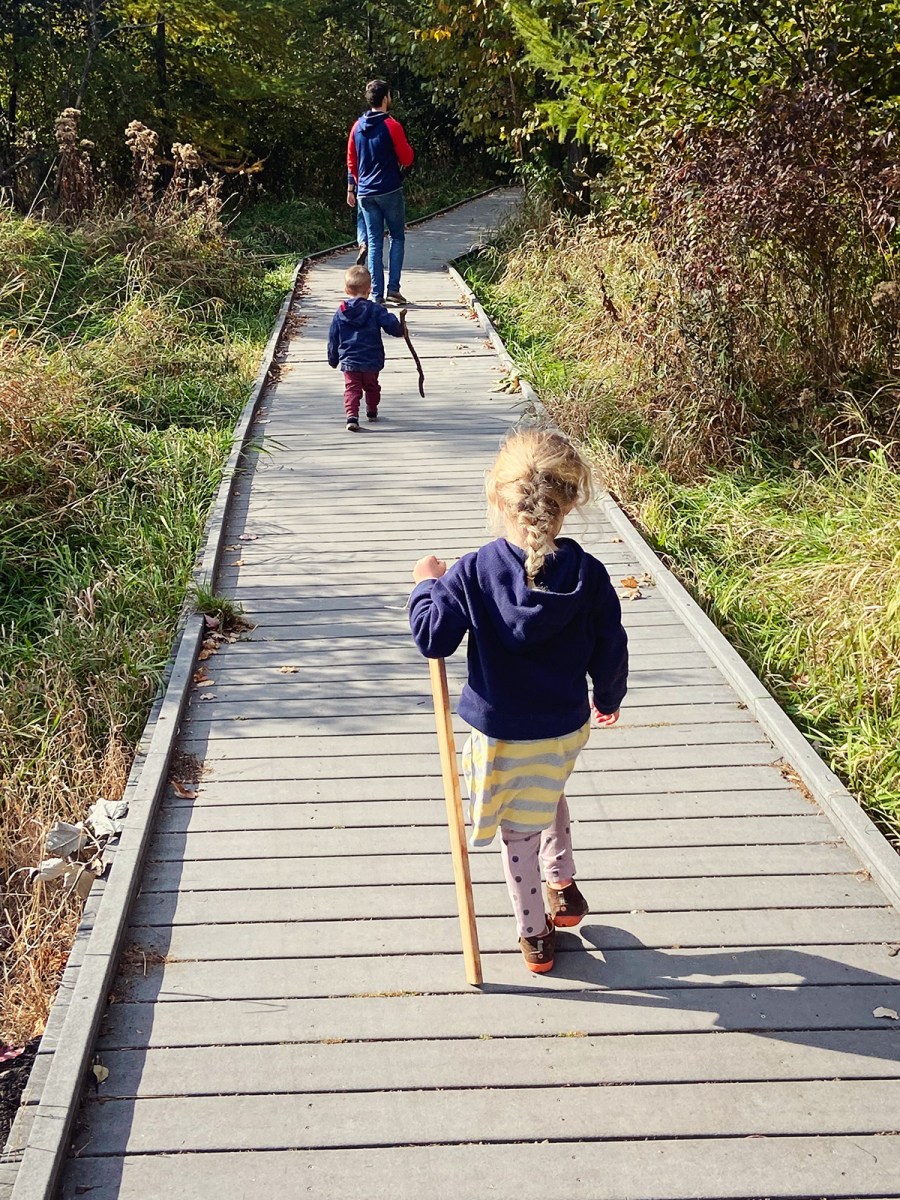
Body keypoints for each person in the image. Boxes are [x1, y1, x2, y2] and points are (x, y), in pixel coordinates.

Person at [408, 430, 629, 973]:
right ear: (571, 501)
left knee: (517, 831)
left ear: (497, 499)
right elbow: (611, 642)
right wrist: (608, 694)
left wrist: (426, 586)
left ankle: (534, 935)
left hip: (503, 733)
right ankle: (564, 886)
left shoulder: (472, 572)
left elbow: (432, 638)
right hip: (563, 725)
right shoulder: (589, 574)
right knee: (547, 788)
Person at [347, 79, 414, 306]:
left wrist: (357, 185)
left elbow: (351, 161)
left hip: (365, 193)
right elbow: (406, 158)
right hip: (389, 190)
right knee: (397, 237)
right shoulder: (392, 126)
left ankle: (376, 294)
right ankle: (393, 289)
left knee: (374, 242)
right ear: (385, 98)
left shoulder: (356, 127)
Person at [327, 265, 406, 432]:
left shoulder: (340, 313)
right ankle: (371, 410)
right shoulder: (376, 310)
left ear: (346, 289)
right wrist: (400, 330)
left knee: (352, 388)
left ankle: (352, 416)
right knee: (372, 387)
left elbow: (333, 337)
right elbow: (390, 324)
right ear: (369, 290)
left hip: (350, 361)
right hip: (371, 359)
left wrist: (333, 358)